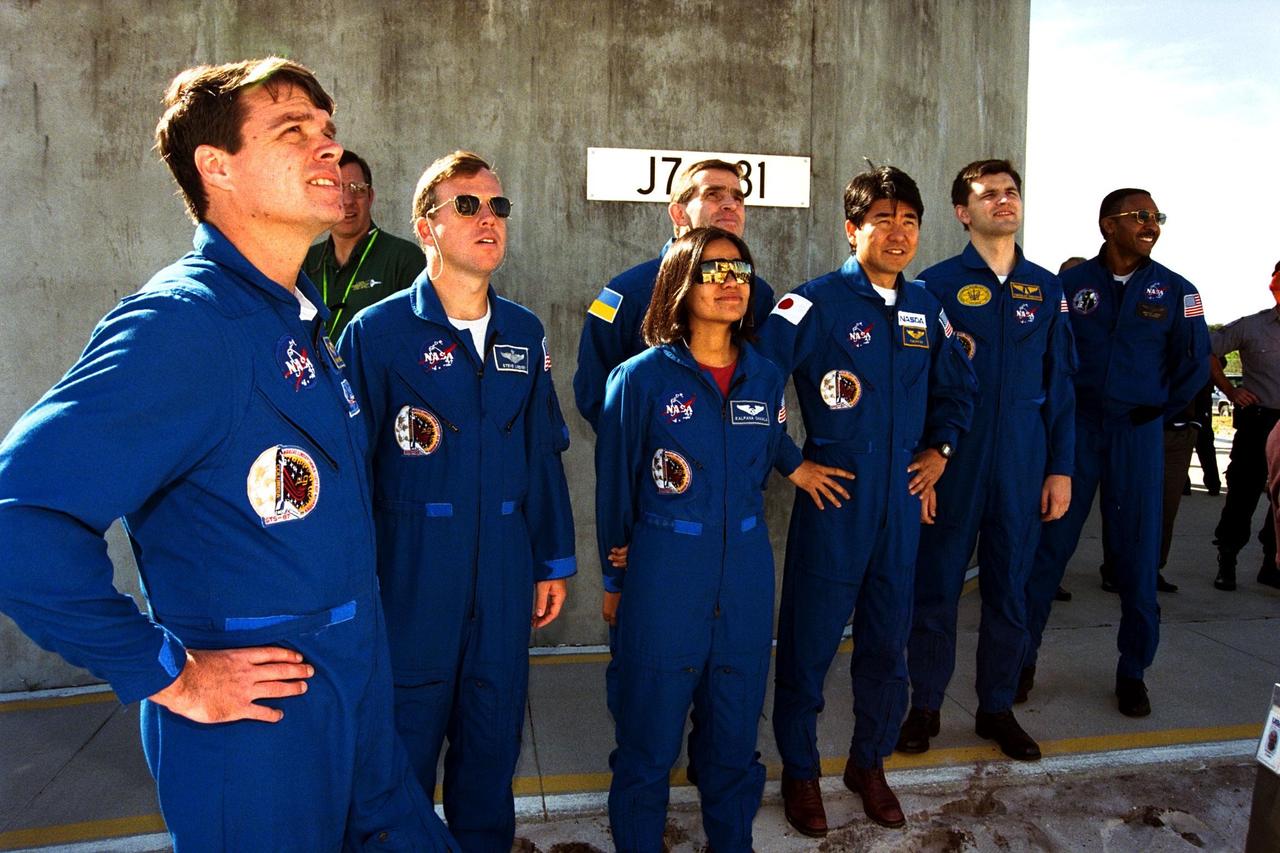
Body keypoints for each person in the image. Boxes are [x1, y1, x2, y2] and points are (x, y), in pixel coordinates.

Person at [0, 58, 455, 851]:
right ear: (217, 167)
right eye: (292, 131)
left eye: (328, 131)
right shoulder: (183, 326)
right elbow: (19, 518)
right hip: (259, 736)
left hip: (356, 698)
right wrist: (169, 672)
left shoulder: (295, 322)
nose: (329, 149)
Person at [338, 150, 576, 852]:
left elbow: (542, 452)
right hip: (410, 578)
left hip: (503, 573)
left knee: (492, 744)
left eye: (499, 206)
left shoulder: (524, 333)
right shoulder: (377, 334)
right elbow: (349, 472)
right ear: (426, 228)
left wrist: (553, 560)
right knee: (398, 753)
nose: (488, 218)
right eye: (467, 206)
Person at [595, 226, 850, 853]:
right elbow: (615, 490)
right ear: (681, 285)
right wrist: (616, 578)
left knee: (734, 738)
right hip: (664, 572)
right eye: (712, 271)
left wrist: (797, 466)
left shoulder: (765, 376)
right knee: (648, 741)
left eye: (739, 271)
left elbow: (767, 447)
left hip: (744, 573)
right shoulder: (639, 379)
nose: (730, 282)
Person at [759, 166, 977, 834]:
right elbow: (752, 386)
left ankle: (869, 762)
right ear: (852, 229)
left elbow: (957, 390)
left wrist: (940, 450)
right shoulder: (811, 304)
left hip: (900, 509)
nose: (897, 233)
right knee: (808, 648)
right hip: (836, 505)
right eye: (883, 219)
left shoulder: (926, 309)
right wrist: (794, 464)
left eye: (909, 221)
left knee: (887, 646)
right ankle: (801, 771)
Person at [897, 160, 1074, 762]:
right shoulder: (934, 286)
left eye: (1011, 192)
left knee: (1011, 589)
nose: (1004, 201)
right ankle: (925, 706)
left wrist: (1061, 468)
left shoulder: (1047, 289)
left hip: (1024, 461)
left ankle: (996, 706)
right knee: (936, 587)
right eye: (988, 194)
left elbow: (1062, 384)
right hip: (955, 461)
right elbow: (916, 386)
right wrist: (922, 468)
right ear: (962, 212)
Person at [1022, 188, 1209, 718]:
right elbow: (1047, 356)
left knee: (1137, 557)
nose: (1152, 224)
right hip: (1076, 434)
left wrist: (1151, 412)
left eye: (1157, 216)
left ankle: (1132, 672)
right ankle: (1020, 660)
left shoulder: (1179, 291)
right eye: (1140, 215)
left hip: (1137, 436)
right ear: (1108, 224)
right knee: (1047, 550)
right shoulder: (1068, 286)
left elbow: (1194, 364)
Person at [574, 159, 776, 432]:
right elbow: (595, 390)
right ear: (679, 214)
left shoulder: (757, 294)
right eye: (713, 195)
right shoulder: (625, 293)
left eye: (738, 197)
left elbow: (762, 384)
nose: (731, 204)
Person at [1210, 260, 1280, 591]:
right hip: (1259, 421)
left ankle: (1272, 563)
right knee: (1243, 493)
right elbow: (1206, 350)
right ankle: (1228, 559)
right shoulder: (1253, 326)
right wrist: (1230, 390)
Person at [304, 149, 425, 336]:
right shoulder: (305, 262)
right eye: (338, 188)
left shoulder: (404, 259)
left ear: (370, 196)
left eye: (357, 188)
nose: (348, 200)